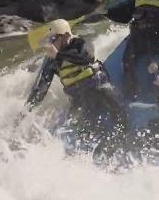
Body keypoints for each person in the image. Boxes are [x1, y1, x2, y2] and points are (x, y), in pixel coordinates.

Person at [26, 19, 127, 154]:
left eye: (53, 38)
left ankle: (121, 140)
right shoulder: (52, 61)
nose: (51, 43)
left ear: (66, 36)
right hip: (79, 98)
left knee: (120, 112)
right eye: (49, 40)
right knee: (81, 129)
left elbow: (86, 58)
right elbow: (41, 89)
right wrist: (26, 111)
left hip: (98, 88)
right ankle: (84, 155)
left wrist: (58, 54)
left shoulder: (80, 43)